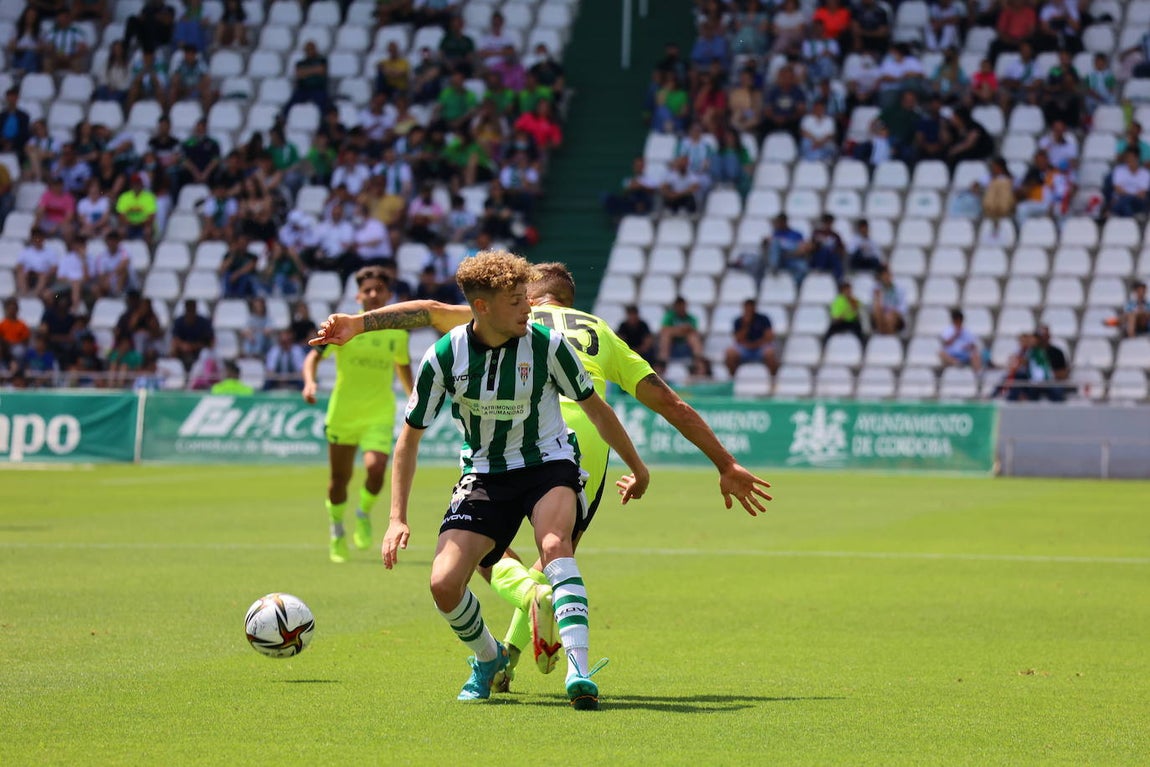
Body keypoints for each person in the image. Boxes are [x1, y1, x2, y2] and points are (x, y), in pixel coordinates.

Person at [308, 262, 772, 693]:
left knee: (504, 554)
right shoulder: (596, 330)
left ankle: (521, 657)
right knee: (553, 552)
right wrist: (723, 462)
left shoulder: (519, 325)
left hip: (546, 434)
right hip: (582, 435)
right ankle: (509, 651)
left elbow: (427, 311)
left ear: (534, 295)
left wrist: (358, 322)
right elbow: (670, 402)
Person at [315, 251, 651, 710]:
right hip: (485, 473)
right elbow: (408, 440)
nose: (528, 309)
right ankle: (489, 658)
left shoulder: (548, 347)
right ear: (482, 307)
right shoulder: (445, 356)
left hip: (548, 462)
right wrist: (396, 517)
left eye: (526, 299)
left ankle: (578, 667)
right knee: (444, 584)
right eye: (516, 302)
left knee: (555, 545)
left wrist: (637, 464)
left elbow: (597, 410)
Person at [302, 267, 414, 564]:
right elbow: (313, 356)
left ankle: (363, 514)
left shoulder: (397, 333)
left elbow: (404, 371)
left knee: (376, 469)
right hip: (343, 413)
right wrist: (310, 381)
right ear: (358, 295)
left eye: (379, 289)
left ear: (389, 295)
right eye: (368, 290)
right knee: (339, 480)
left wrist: (416, 399)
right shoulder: (342, 326)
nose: (374, 294)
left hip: (378, 412)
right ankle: (337, 530)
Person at [724, 299, 778, 377]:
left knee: (770, 353)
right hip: (745, 348)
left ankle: (773, 378)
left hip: (760, 347)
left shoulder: (763, 319)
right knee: (730, 353)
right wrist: (746, 325)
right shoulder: (738, 321)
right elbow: (738, 339)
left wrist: (756, 344)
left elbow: (769, 337)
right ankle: (732, 378)